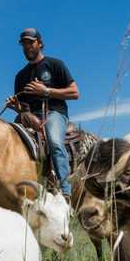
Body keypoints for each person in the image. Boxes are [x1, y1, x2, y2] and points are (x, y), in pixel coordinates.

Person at [7, 28, 79, 198]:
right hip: (30, 117)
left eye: (31, 42)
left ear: (40, 43)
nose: (27, 47)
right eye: (24, 44)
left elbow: (75, 93)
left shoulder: (55, 64)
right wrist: (16, 107)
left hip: (54, 113)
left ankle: (65, 191)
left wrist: (45, 91)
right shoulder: (20, 76)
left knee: (54, 142)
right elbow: (24, 108)